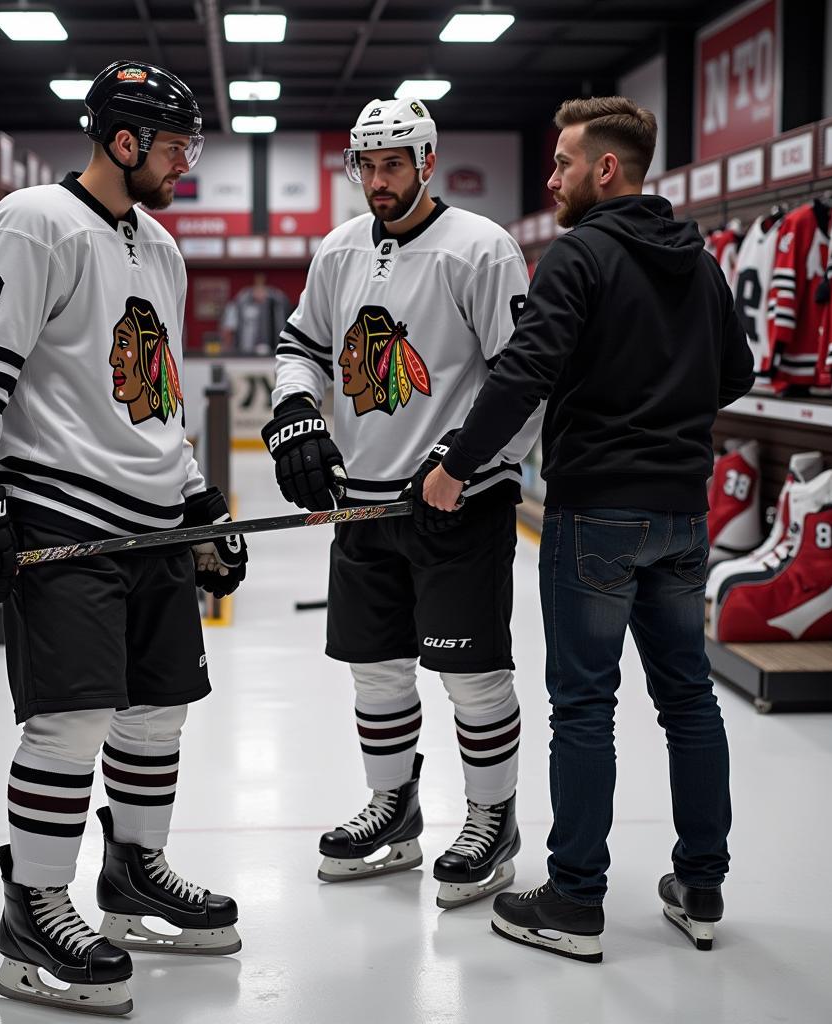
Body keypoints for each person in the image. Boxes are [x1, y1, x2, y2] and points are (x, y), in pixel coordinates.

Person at [0, 60, 247, 1015]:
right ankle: (32, 910)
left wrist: (197, 503)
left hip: (149, 520)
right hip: (61, 514)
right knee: (69, 720)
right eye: (178, 144)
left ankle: (134, 873)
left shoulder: (164, 248)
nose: (189, 162)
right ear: (123, 140)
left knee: (158, 712)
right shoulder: (33, 221)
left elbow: (160, 399)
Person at [423, 96, 755, 962]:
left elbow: (523, 373)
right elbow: (738, 369)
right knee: (687, 698)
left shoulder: (579, 256)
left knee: (584, 707)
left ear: (605, 169)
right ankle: (702, 885)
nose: (552, 178)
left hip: (596, 512)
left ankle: (574, 898)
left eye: (563, 163)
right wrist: (666, 418)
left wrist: (455, 466)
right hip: (684, 514)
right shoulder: (701, 258)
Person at [262, 96, 541, 909]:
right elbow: (302, 348)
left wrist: (468, 465)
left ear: (426, 161)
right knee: (375, 673)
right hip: (363, 506)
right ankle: (396, 809)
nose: (378, 182)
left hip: (457, 502)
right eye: (367, 166)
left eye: (394, 164)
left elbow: (521, 380)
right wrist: (295, 411)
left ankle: (494, 818)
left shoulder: (482, 249)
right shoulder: (340, 249)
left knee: (474, 677)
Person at [220, 272, 291, 354]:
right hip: (244, 349)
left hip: (274, 349)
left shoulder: (278, 299)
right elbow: (228, 328)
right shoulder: (241, 299)